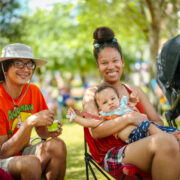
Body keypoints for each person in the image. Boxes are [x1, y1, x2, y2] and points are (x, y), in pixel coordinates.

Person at [82, 27, 180, 179]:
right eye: (104, 63)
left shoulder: (134, 90)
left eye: (115, 61)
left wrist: (142, 125)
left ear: (122, 62)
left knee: (170, 140)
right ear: (98, 66)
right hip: (112, 154)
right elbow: (96, 131)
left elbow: (156, 120)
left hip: (143, 143)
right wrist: (128, 118)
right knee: (165, 141)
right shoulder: (92, 93)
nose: (111, 66)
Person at [0, 43, 67, 180]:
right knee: (31, 162)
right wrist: (29, 122)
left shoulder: (34, 91)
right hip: (3, 159)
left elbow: (42, 131)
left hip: (24, 152)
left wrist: (50, 131)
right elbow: (3, 152)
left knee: (58, 145)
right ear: (4, 69)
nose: (26, 69)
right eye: (19, 64)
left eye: (29, 65)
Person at [67, 83, 180, 143]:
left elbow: (132, 104)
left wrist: (133, 101)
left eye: (112, 98)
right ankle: (167, 137)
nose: (110, 103)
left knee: (168, 129)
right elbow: (90, 123)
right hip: (133, 137)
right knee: (148, 125)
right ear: (101, 109)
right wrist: (75, 118)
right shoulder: (105, 116)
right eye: (105, 102)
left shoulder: (123, 106)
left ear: (118, 99)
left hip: (146, 132)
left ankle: (174, 134)